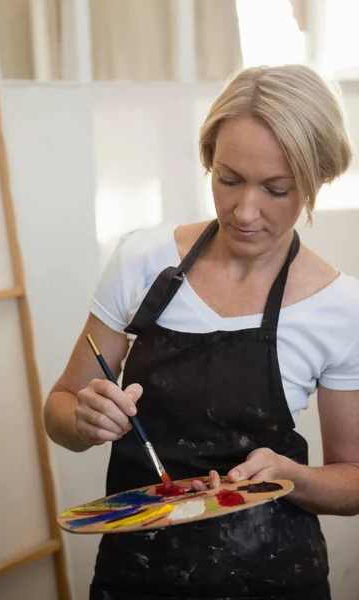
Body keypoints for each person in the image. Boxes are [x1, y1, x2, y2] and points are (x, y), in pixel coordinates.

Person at [44, 64, 359, 600]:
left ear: (316, 179)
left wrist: (290, 477)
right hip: (137, 576)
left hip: (275, 577)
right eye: (228, 179)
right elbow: (60, 410)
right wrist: (83, 418)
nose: (244, 211)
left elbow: (353, 480)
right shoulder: (143, 262)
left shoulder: (340, 306)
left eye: (276, 189)